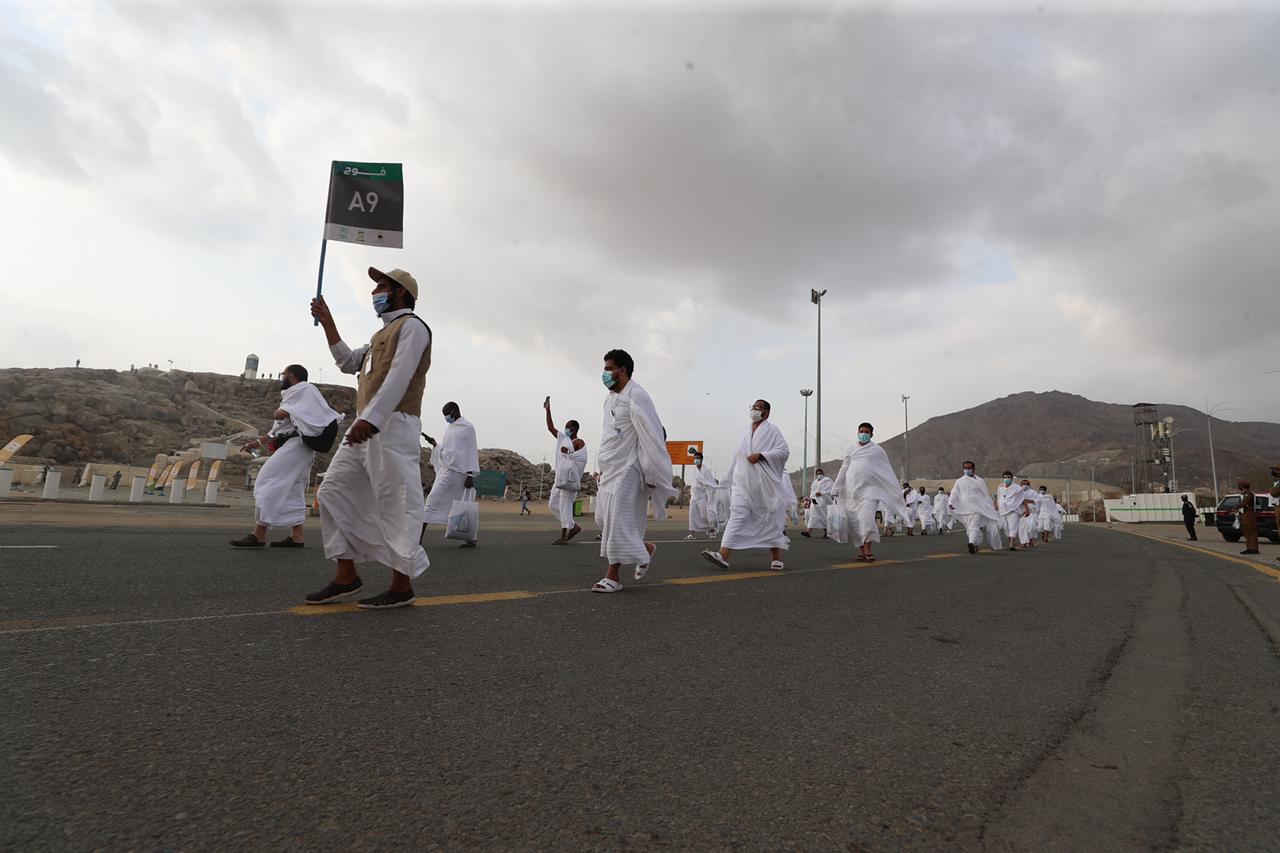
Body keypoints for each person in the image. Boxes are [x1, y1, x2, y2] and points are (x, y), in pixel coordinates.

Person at [305, 266, 431, 610]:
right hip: (366, 425)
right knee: (332, 491)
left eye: (382, 286)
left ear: (401, 293)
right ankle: (346, 575)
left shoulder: (413, 328)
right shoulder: (379, 336)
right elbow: (348, 362)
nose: (375, 292)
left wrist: (372, 419)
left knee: (397, 504)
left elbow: (400, 376)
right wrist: (328, 322)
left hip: (392, 424)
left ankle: (401, 586)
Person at [592, 349, 675, 592]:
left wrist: (652, 471)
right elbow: (609, 436)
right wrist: (602, 465)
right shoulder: (610, 399)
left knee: (617, 520)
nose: (605, 374)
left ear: (622, 371)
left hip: (630, 467)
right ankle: (644, 549)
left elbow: (652, 436)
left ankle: (613, 576)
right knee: (603, 519)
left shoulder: (637, 395)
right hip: (610, 468)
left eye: (608, 369)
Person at [231, 364, 339, 549]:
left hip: (298, 444)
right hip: (300, 445)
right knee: (293, 489)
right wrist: (256, 443)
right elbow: (279, 429)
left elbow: (307, 414)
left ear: (291, 375)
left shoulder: (305, 389)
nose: (282, 378)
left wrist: (286, 411)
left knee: (266, 480)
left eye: (284, 375)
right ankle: (297, 536)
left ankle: (259, 534)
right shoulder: (295, 395)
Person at [702, 400, 790, 571]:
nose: (754, 410)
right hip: (742, 484)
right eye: (753, 407)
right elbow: (737, 457)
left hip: (764, 486)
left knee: (770, 519)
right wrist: (726, 481)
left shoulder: (773, 431)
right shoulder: (744, 432)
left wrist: (762, 455)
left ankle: (776, 558)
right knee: (737, 515)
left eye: (758, 408)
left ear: (766, 413)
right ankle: (722, 555)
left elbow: (784, 451)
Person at [831, 422, 908, 563]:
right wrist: (836, 486)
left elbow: (886, 471)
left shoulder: (878, 451)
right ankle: (861, 550)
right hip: (851, 491)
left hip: (870, 492)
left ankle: (868, 549)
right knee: (854, 523)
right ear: (857, 432)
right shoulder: (851, 449)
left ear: (872, 434)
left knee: (866, 519)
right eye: (861, 431)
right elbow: (844, 468)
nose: (863, 434)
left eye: (866, 432)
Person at [423, 402, 480, 548]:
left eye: (446, 414)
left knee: (464, 507)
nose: (446, 418)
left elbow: (470, 451)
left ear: (454, 411)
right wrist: (435, 444)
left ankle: (470, 538)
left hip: (461, 476)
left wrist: (470, 476)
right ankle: (418, 538)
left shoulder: (468, 428)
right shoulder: (450, 428)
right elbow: (448, 451)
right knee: (432, 500)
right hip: (447, 472)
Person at [545, 399, 588, 543]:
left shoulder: (579, 442)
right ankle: (573, 526)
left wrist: (568, 452)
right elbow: (551, 428)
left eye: (568, 427)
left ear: (574, 429)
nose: (565, 429)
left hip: (570, 480)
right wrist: (548, 410)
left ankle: (564, 536)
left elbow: (579, 457)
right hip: (560, 478)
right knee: (552, 504)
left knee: (565, 506)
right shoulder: (564, 439)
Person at [948, 462, 1005, 553]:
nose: (967, 470)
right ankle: (976, 544)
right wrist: (951, 502)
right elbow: (954, 492)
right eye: (965, 468)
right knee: (970, 528)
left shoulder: (980, 481)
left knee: (973, 526)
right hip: (965, 509)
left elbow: (985, 495)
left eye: (969, 468)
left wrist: (989, 506)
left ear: (973, 469)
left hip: (977, 508)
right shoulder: (959, 481)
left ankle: (971, 543)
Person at [997, 471, 1034, 551]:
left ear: (1011, 478)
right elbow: (999, 498)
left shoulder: (1017, 488)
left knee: (1013, 527)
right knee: (1005, 527)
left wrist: (1026, 509)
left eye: (1008, 477)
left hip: (1014, 510)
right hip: (1003, 510)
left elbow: (1022, 499)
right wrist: (996, 507)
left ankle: (1011, 544)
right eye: (1005, 477)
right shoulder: (1000, 487)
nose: (1006, 479)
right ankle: (1011, 541)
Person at [686, 452, 719, 539]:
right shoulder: (694, 470)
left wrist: (712, 492)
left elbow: (710, 482)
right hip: (694, 495)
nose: (695, 460)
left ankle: (712, 531)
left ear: (701, 459)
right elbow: (694, 482)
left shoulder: (706, 470)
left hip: (703, 496)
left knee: (706, 515)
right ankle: (692, 534)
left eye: (697, 458)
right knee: (692, 514)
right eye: (694, 459)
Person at [802, 468, 835, 538]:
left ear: (823, 474)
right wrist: (810, 498)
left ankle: (827, 532)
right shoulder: (815, 482)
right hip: (815, 502)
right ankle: (808, 532)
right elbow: (812, 492)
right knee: (813, 516)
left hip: (823, 502)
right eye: (818, 474)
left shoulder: (827, 480)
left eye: (820, 473)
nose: (819, 475)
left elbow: (830, 490)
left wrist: (822, 493)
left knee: (824, 517)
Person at [1238, 479, 1259, 555]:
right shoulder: (1243, 494)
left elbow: (1245, 502)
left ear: (1242, 486)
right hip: (1244, 514)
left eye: (1240, 485)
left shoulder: (1250, 494)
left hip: (1250, 514)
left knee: (1251, 531)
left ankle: (1254, 549)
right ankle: (1249, 548)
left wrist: (1236, 507)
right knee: (1246, 532)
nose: (1239, 487)